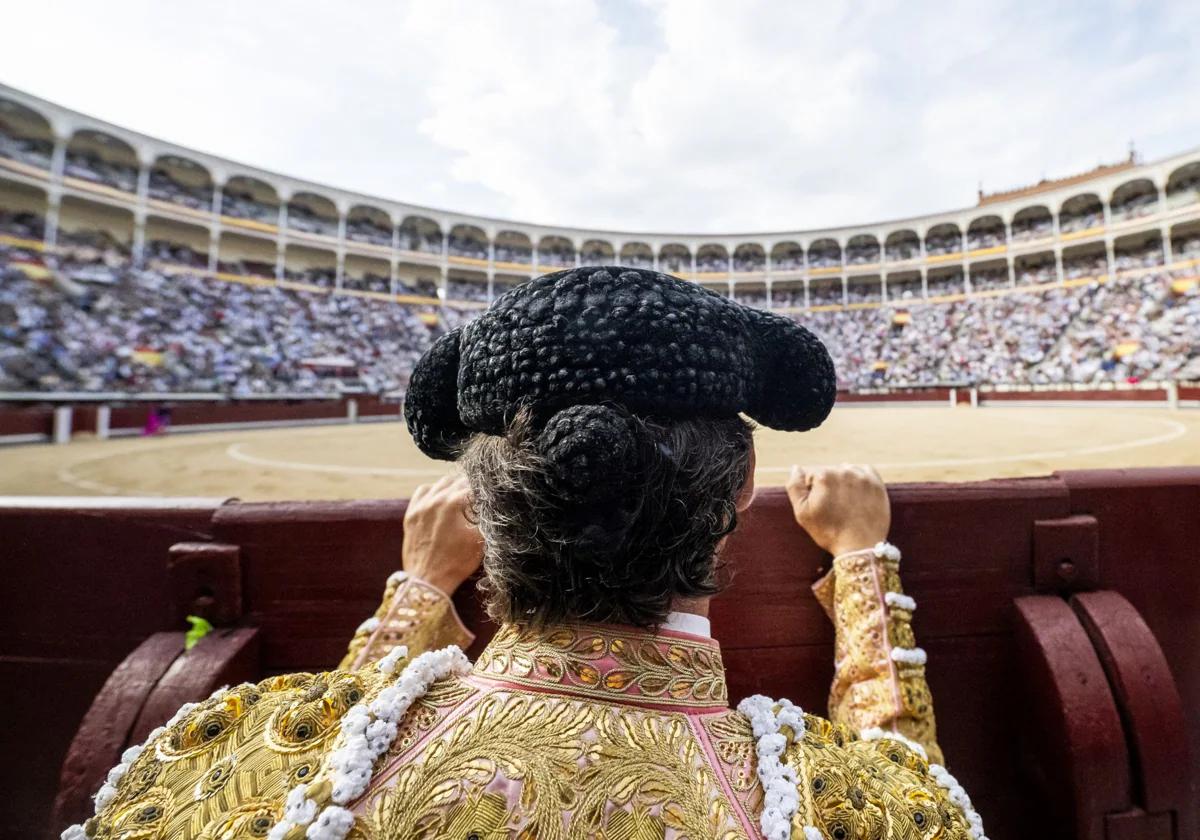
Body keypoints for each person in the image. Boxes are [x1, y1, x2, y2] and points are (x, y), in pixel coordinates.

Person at [67, 267, 984, 840]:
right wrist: (864, 562)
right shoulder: (843, 807)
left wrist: (417, 589)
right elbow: (914, 791)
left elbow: (343, 741)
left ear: (484, 498)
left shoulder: (247, 762)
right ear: (745, 480)